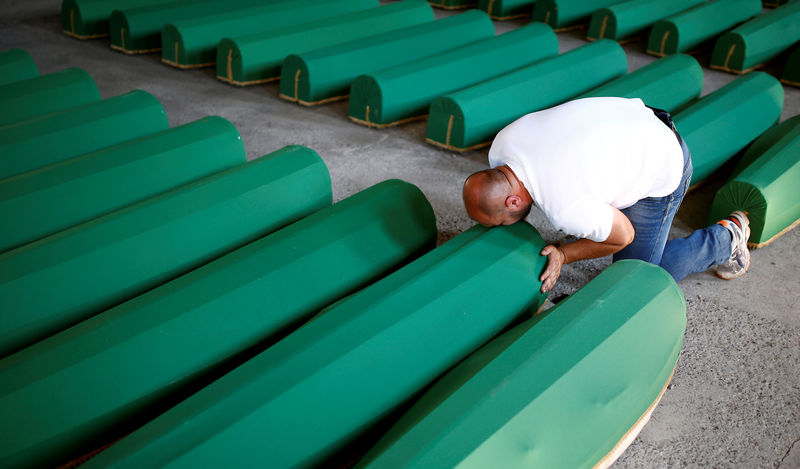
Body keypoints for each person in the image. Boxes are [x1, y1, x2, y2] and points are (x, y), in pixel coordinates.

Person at [462, 97, 750, 293]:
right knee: (590, 216)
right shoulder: (501, 145)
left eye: (500, 222)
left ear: (513, 202)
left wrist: (564, 254)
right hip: (637, 121)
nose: (502, 227)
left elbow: (623, 236)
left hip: (664, 159)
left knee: (633, 280)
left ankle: (727, 239)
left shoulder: (565, 206)